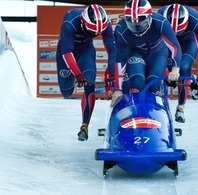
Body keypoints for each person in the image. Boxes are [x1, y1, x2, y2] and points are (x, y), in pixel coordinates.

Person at [56, 4, 116, 141]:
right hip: (66, 53)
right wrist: (77, 74)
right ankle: (71, 80)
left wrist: (112, 73)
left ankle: (84, 125)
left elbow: (112, 50)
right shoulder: (70, 22)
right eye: (91, 32)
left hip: (86, 51)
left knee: (90, 82)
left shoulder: (105, 24)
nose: (94, 35)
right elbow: (66, 53)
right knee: (66, 91)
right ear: (83, 23)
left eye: (97, 33)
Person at [110, 0, 182, 108]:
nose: (137, 26)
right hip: (136, 53)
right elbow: (120, 59)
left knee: (153, 82)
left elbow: (175, 46)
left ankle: (155, 109)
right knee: (137, 82)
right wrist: (118, 89)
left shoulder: (160, 23)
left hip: (158, 53)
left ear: (149, 17)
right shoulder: (121, 30)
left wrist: (175, 69)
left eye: (141, 22)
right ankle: (137, 112)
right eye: (132, 23)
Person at [157, 3, 198, 123]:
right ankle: (157, 104)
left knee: (184, 67)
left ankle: (180, 107)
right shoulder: (158, 16)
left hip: (187, 43)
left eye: (178, 31)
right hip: (166, 43)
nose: (175, 34)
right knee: (159, 65)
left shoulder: (194, 18)